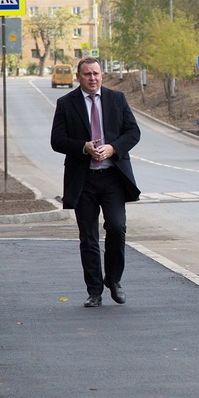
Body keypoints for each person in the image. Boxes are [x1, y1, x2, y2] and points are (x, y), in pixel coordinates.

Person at [50, 58, 141, 308]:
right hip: (84, 179)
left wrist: (113, 148)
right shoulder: (66, 103)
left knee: (117, 227)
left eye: (96, 73)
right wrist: (83, 147)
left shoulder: (117, 99)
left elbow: (133, 132)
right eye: (87, 74)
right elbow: (57, 140)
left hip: (113, 177)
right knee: (88, 237)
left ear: (102, 75)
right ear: (78, 77)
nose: (93, 78)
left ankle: (113, 280)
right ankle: (94, 291)